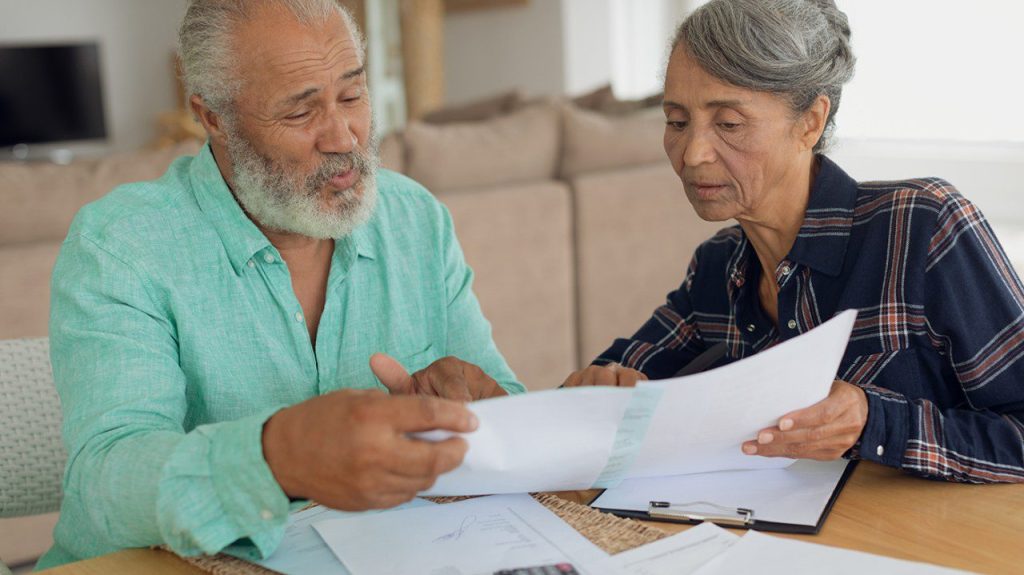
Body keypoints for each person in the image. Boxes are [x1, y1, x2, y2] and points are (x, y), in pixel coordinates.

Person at [38, 0, 524, 568]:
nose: (344, 137)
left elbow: (510, 416)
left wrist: (478, 414)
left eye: (352, 95)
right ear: (213, 117)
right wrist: (278, 457)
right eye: (300, 112)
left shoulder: (416, 218)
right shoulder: (122, 246)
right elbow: (106, 485)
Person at [563, 0, 1024, 483]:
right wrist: (599, 389)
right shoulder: (717, 267)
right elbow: (616, 378)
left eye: (729, 123)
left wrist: (874, 421)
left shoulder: (922, 225)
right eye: (677, 122)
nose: (693, 154)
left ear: (810, 122)